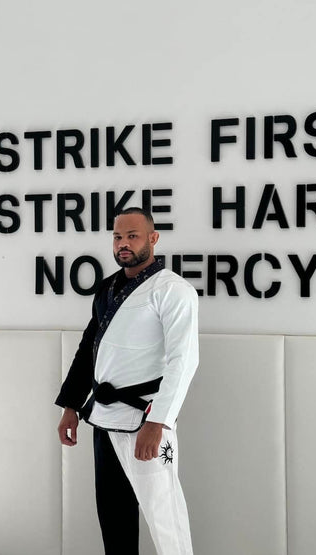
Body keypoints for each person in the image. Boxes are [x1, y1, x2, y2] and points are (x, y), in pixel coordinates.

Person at [55, 207, 199, 555]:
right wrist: (71, 405)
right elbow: (90, 348)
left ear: (153, 238)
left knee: (164, 516)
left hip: (144, 420)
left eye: (132, 236)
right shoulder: (108, 288)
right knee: (113, 516)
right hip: (103, 419)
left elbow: (184, 360)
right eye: (118, 237)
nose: (123, 243)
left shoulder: (173, 290)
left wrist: (158, 421)